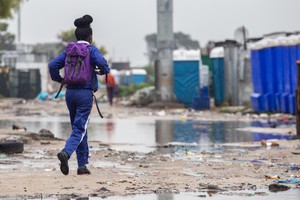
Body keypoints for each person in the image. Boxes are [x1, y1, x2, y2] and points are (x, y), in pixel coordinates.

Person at [48, 15, 110, 175]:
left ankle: (82, 165)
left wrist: (59, 79)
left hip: (70, 94)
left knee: (80, 127)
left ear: (77, 36)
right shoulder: (91, 49)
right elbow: (103, 64)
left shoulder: (69, 50)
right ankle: (66, 153)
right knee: (79, 128)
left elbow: (52, 65)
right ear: (90, 37)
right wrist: (103, 70)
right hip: (84, 94)